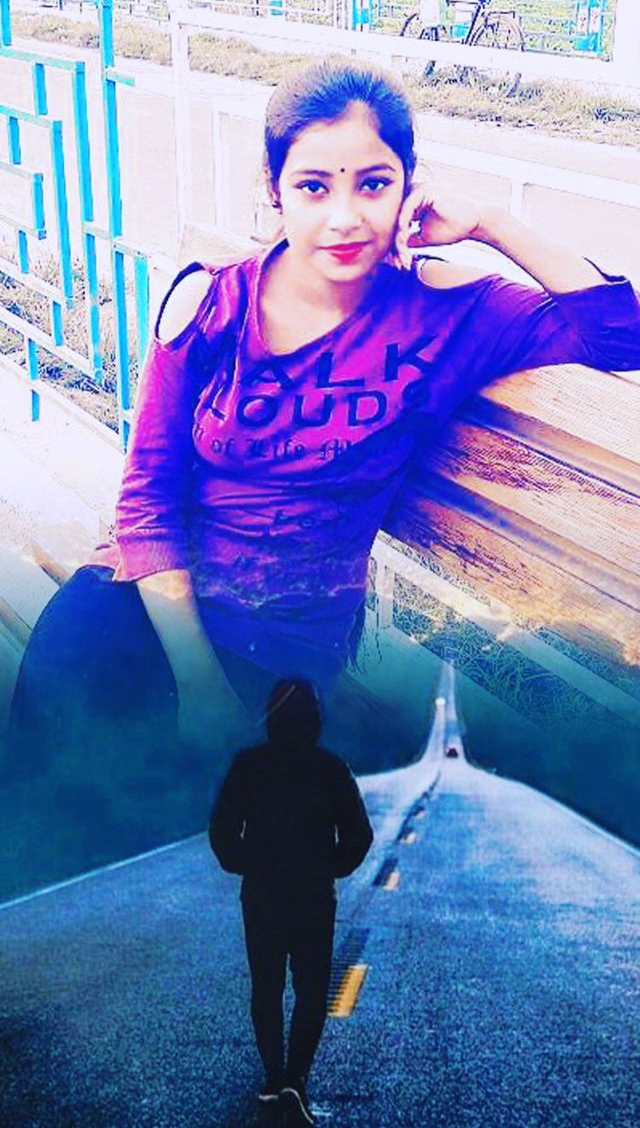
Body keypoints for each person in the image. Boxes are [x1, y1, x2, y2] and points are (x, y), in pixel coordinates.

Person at [5, 56, 640, 863]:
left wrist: (488, 223)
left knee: (179, 858)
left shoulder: (448, 313)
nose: (345, 217)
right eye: (313, 187)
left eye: (373, 184)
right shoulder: (214, 303)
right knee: (42, 813)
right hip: (148, 609)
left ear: (409, 186)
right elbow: (147, 505)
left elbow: (619, 332)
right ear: (275, 192)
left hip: (280, 647)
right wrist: (197, 687)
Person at [209, 677, 373, 1124]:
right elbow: (359, 836)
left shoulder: (249, 766)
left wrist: (249, 864)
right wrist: (328, 867)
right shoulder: (330, 769)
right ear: (314, 719)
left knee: (266, 987)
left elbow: (222, 833)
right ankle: (295, 1079)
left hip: (262, 893)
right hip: (313, 896)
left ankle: (274, 1076)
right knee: (311, 990)